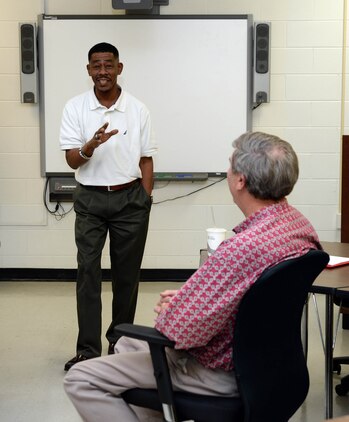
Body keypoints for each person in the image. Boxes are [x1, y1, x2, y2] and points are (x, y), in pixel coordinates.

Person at [64, 131, 322, 421]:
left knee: (81, 378)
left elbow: (176, 331)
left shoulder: (240, 248)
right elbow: (256, 297)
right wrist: (194, 300)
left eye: (230, 165)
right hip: (271, 366)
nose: (227, 171)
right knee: (125, 344)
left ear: (240, 181)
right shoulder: (298, 225)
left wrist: (178, 307)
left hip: (219, 371)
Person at [60, 42, 157, 371]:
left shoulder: (138, 109)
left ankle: (119, 343)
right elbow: (72, 159)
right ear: (89, 70)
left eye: (108, 65)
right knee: (88, 273)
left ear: (119, 67)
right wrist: (89, 146)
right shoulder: (75, 108)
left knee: (127, 277)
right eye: (96, 65)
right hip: (89, 199)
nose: (102, 71)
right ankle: (88, 350)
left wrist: (145, 199)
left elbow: (146, 158)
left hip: (130, 199)